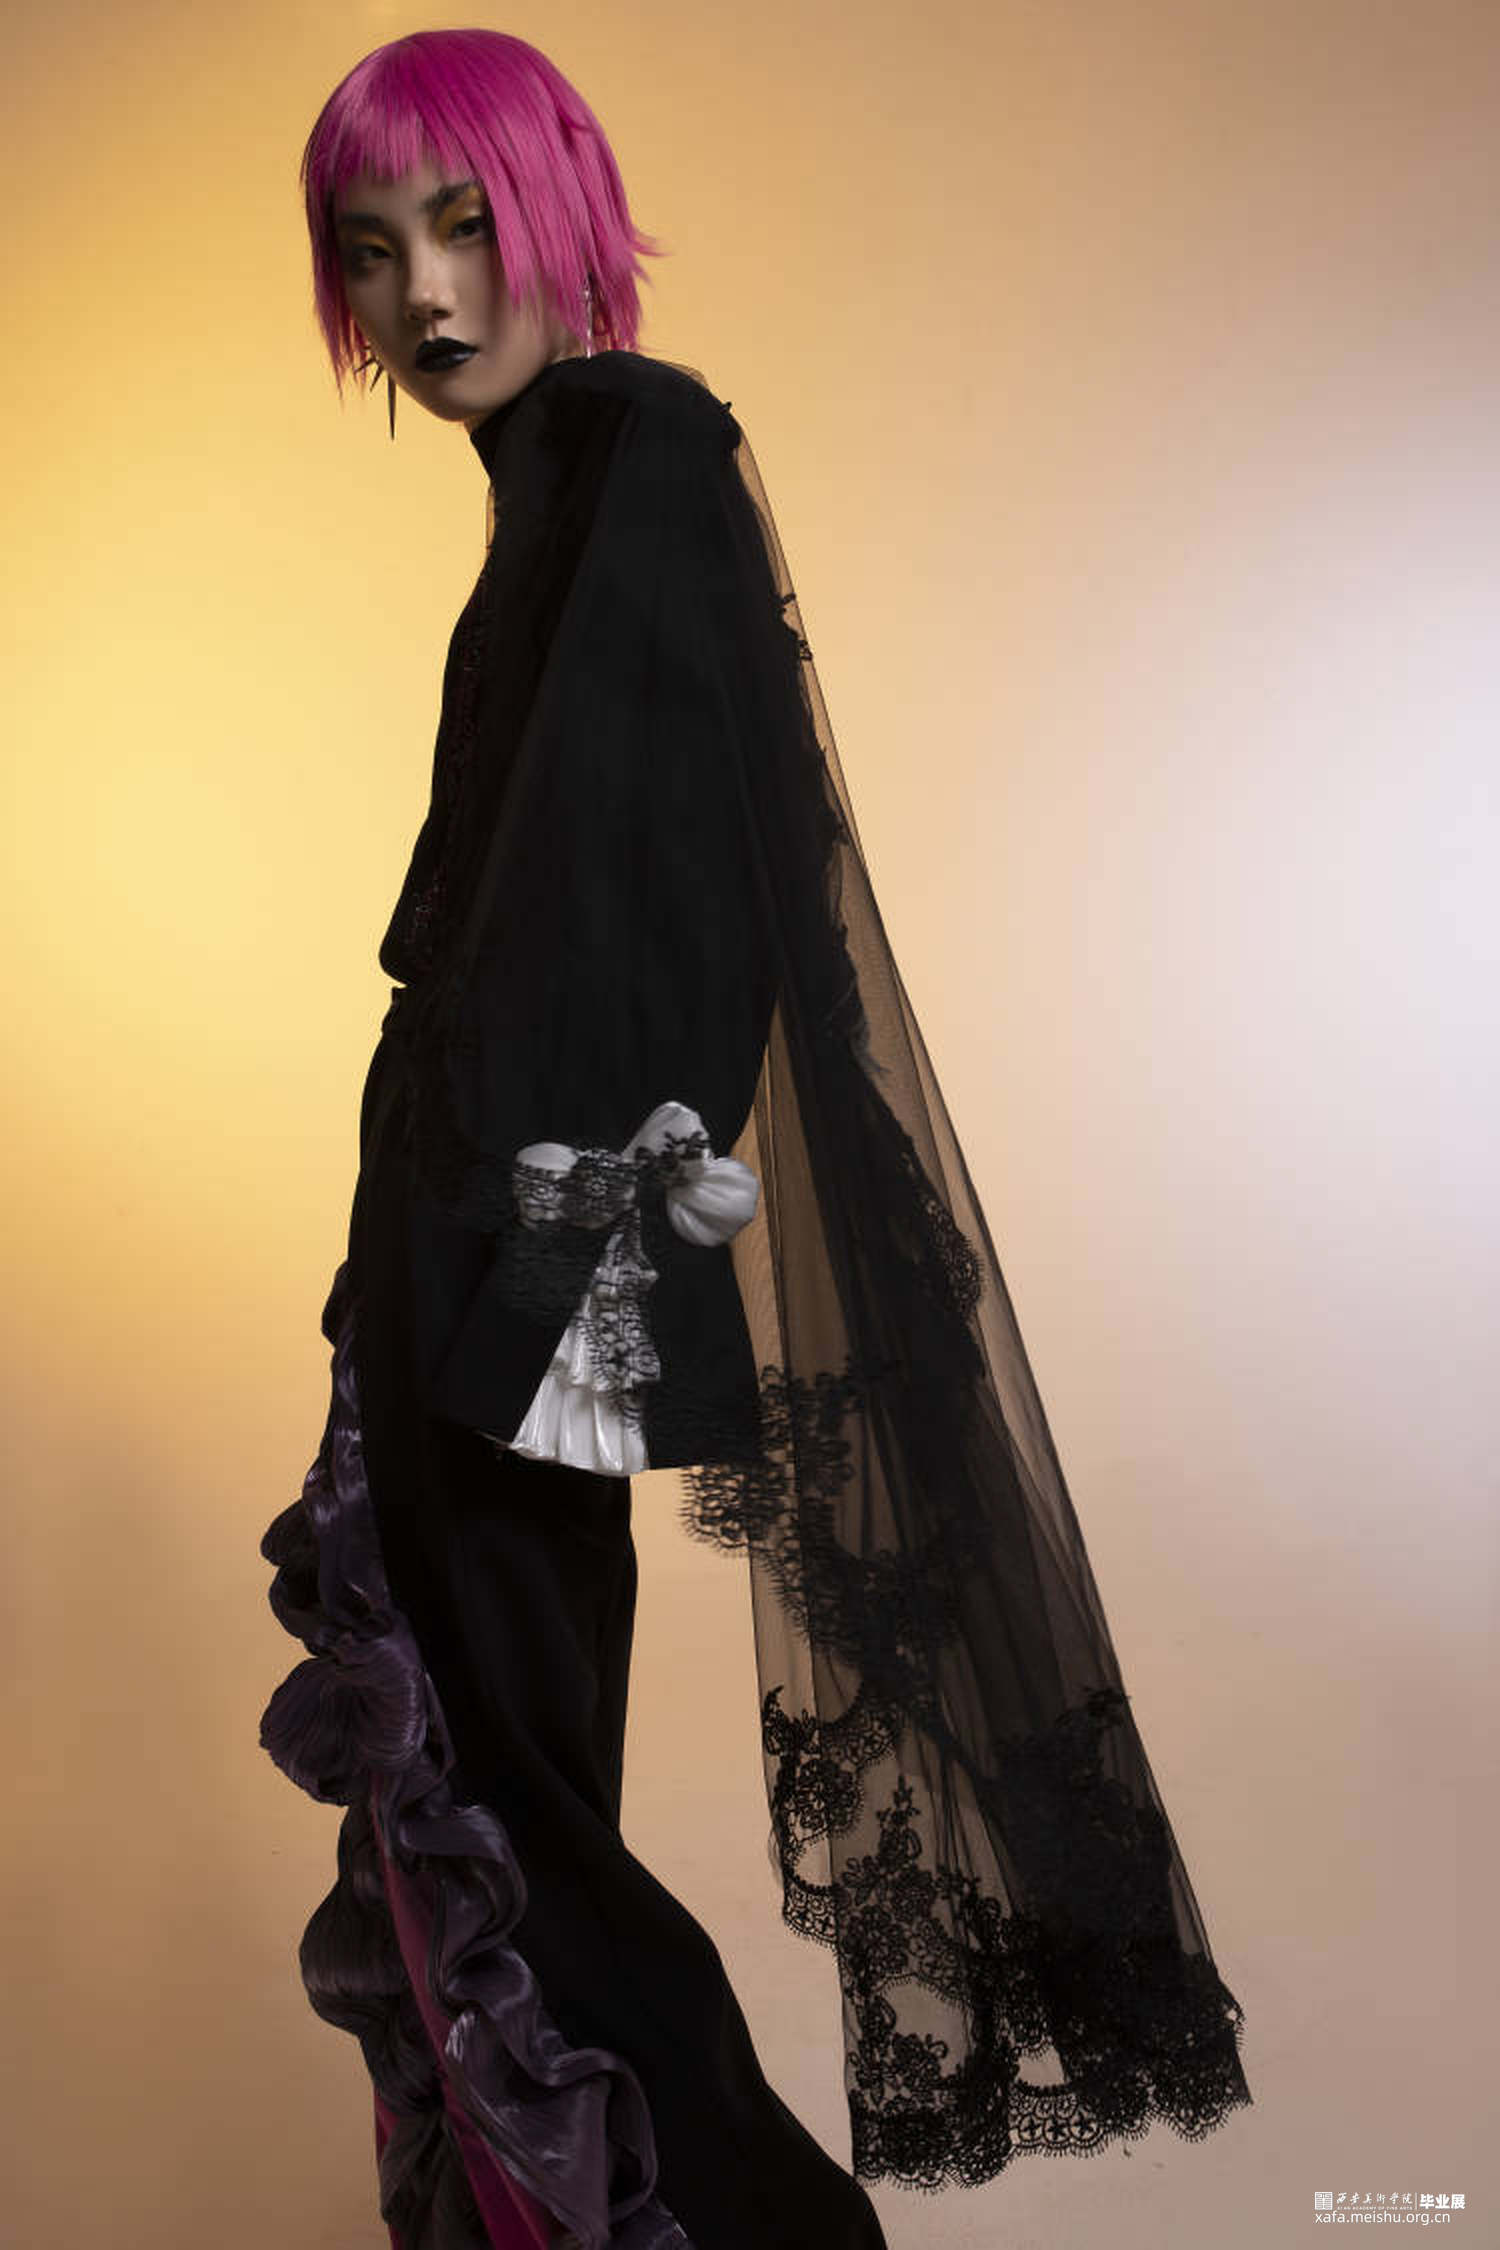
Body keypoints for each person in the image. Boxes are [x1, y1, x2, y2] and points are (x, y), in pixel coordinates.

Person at [259, 27, 1251, 2250]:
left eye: (466, 223)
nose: (426, 294)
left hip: (511, 1268)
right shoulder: (563, 479)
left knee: (515, 1847)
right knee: (486, 1826)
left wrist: (532, 1331)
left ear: (564, 213)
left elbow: (676, 936)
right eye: (374, 249)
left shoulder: (640, 446)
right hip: (471, 1257)